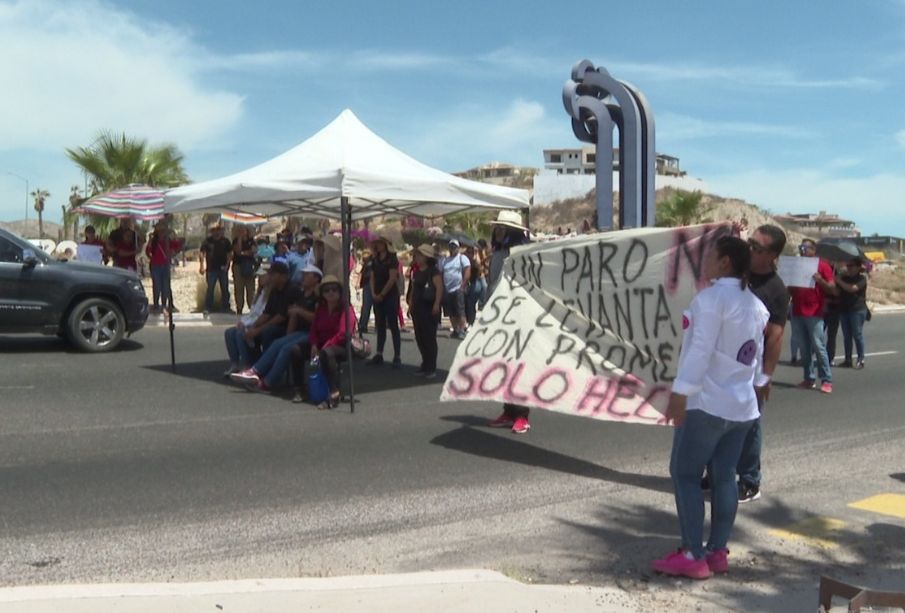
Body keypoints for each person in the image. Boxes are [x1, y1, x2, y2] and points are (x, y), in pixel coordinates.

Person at [652, 235, 769, 580]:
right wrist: (759, 383)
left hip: (708, 403)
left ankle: (692, 554)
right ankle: (717, 551)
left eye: (710, 256)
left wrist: (680, 392)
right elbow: (756, 357)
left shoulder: (710, 300)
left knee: (685, 473)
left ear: (725, 263)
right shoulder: (756, 305)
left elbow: (699, 350)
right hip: (742, 407)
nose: (703, 261)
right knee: (724, 477)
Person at [734, 225, 790, 504]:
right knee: (716, 421)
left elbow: (776, 336)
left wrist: (765, 377)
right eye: (750, 243)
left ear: (772, 256)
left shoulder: (776, 290)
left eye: (758, 247)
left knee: (750, 424)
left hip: (751, 368)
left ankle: (749, 480)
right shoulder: (737, 270)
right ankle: (717, 471)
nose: (750, 249)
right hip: (724, 365)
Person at [231, 264, 322, 392]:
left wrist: (298, 312)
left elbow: (317, 318)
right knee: (278, 342)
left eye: (307, 275)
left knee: (284, 347)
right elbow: (289, 316)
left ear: (316, 279)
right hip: (298, 331)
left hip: (312, 333)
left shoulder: (317, 296)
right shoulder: (302, 295)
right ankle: (254, 369)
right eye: (303, 274)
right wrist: (288, 334)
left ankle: (267, 382)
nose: (303, 277)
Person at [484, 210, 532, 434]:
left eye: (503, 227)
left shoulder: (520, 253)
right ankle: (508, 410)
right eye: (497, 227)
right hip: (498, 316)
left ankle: (522, 415)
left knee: (518, 367)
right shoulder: (497, 253)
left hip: (517, 317)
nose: (498, 230)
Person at [223, 261, 298, 373]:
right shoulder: (271, 291)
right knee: (232, 332)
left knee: (261, 332)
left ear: (283, 276)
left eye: (272, 274)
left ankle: (252, 366)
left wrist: (257, 329)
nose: (269, 277)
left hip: (282, 326)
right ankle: (241, 364)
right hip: (266, 321)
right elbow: (262, 312)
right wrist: (254, 326)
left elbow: (280, 317)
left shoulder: (289, 290)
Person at [301, 275, 357, 409]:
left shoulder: (346, 309)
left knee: (327, 354)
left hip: (342, 346)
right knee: (295, 350)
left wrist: (323, 347)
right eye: (327, 290)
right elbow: (313, 329)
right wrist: (314, 344)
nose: (330, 293)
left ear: (339, 292)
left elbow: (344, 334)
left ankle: (333, 391)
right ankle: (299, 388)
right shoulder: (321, 309)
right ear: (322, 294)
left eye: (334, 290)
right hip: (321, 344)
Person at [790, 238, 836, 393]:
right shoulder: (797, 266)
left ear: (813, 250)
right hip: (798, 310)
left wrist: (820, 280)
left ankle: (826, 379)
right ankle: (809, 378)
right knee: (804, 347)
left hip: (814, 312)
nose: (802, 250)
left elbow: (831, 288)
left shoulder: (822, 266)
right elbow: (791, 290)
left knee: (818, 346)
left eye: (805, 247)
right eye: (800, 247)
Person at [407, 244, 443, 378]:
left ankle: (431, 366)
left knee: (429, 338)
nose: (416, 257)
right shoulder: (417, 271)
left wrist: (437, 304)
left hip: (429, 307)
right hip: (417, 307)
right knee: (420, 337)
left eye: (419, 255)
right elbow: (414, 289)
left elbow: (439, 288)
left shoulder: (433, 271)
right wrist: (410, 303)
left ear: (426, 257)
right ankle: (425, 363)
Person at [368, 236, 402, 368]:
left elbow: (392, 278)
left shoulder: (392, 259)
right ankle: (379, 353)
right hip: (377, 294)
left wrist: (382, 294)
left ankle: (397, 355)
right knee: (380, 324)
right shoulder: (374, 259)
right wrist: (373, 293)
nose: (378, 245)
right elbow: (372, 277)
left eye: (380, 243)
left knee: (393, 324)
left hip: (390, 295)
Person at [836, 258, 869, 369]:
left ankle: (861, 359)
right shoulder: (844, 278)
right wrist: (836, 278)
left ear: (858, 267)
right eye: (848, 265)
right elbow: (836, 291)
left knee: (857, 334)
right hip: (844, 309)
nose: (849, 267)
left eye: (852, 265)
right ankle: (848, 359)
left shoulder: (861, 279)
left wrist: (839, 281)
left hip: (857, 309)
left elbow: (852, 289)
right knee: (847, 336)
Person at [145, 220, 183, 314]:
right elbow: (148, 251)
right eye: (160, 231)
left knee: (165, 286)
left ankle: (164, 304)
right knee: (157, 285)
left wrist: (173, 252)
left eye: (163, 230)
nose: (162, 232)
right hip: (155, 266)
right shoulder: (153, 241)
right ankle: (156, 304)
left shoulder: (168, 241)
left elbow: (179, 246)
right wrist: (151, 257)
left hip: (165, 265)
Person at [440, 239, 470, 339]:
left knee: (460, 310)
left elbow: (467, 271)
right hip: (447, 290)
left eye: (454, 246)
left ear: (458, 248)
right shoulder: (445, 260)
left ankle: (462, 329)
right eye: (451, 246)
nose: (452, 248)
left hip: (458, 288)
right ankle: (455, 330)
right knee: (450, 312)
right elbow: (441, 273)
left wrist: (462, 286)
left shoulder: (462, 258)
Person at [200, 225, 233, 314]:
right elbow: (202, 253)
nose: (216, 232)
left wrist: (227, 265)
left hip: (223, 269)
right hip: (211, 269)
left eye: (218, 230)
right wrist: (202, 265)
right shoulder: (207, 241)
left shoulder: (225, 241)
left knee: (225, 289)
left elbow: (230, 254)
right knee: (210, 289)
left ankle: (226, 307)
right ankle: (208, 307)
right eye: (214, 230)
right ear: (211, 231)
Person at [231, 226, 257, 315]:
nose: (242, 231)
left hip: (249, 266)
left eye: (243, 230)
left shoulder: (252, 241)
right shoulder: (235, 240)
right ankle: (239, 307)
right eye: (240, 230)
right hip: (238, 266)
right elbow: (237, 251)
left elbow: (253, 251)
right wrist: (239, 239)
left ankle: (251, 307)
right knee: (239, 288)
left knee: (250, 288)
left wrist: (244, 253)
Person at [463, 244, 486, 328]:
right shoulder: (464, 257)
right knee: (468, 303)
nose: (470, 252)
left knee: (471, 301)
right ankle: (468, 321)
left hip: (476, 280)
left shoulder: (477, 257)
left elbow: (480, 271)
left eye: (472, 251)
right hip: (467, 281)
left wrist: (475, 258)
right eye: (469, 251)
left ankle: (481, 306)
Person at [358, 252, 373, 334]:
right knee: (366, 307)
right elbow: (363, 273)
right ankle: (363, 325)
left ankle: (363, 325)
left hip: (371, 285)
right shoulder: (370, 261)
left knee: (366, 307)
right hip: (368, 285)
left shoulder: (371, 261)